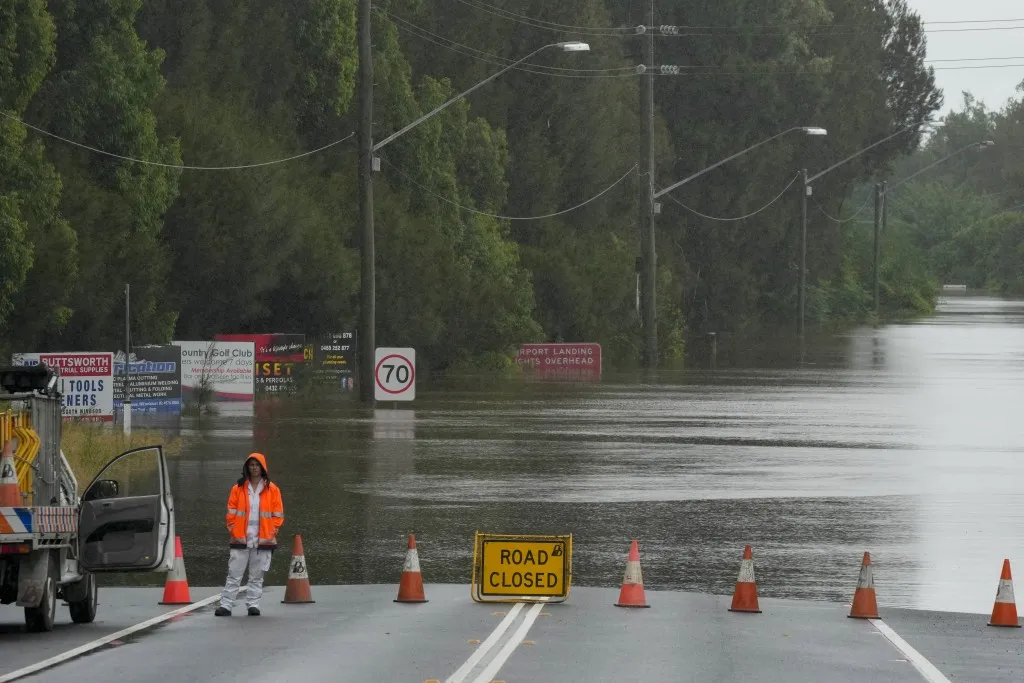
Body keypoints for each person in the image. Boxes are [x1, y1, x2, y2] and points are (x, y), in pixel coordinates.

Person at [215, 452, 284, 616]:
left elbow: (278, 515)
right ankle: (226, 605)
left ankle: (253, 605)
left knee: (257, 575)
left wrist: (271, 531)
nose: (254, 468)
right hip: (241, 538)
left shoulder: (272, 489)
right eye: (251, 465)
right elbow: (230, 513)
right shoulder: (238, 489)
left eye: (257, 465)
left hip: (263, 540)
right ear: (247, 467)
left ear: (263, 467)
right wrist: (233, 529)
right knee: (234, 574)